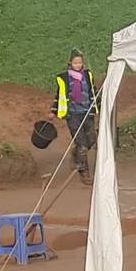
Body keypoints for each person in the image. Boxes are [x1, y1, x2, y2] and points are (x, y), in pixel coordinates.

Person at [51, 50, 100, 181]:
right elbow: (59, 96)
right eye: (75, 63)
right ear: (70, 63)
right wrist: (53, 111)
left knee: (91, 141)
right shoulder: (64, 78)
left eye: (80, 62)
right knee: (82, 144)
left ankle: (75, 153)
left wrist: (98, 107)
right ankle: (84, 172)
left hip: (87, 113)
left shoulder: (87, 76)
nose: (78, 65)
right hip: (73, 115)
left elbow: (93, 92)